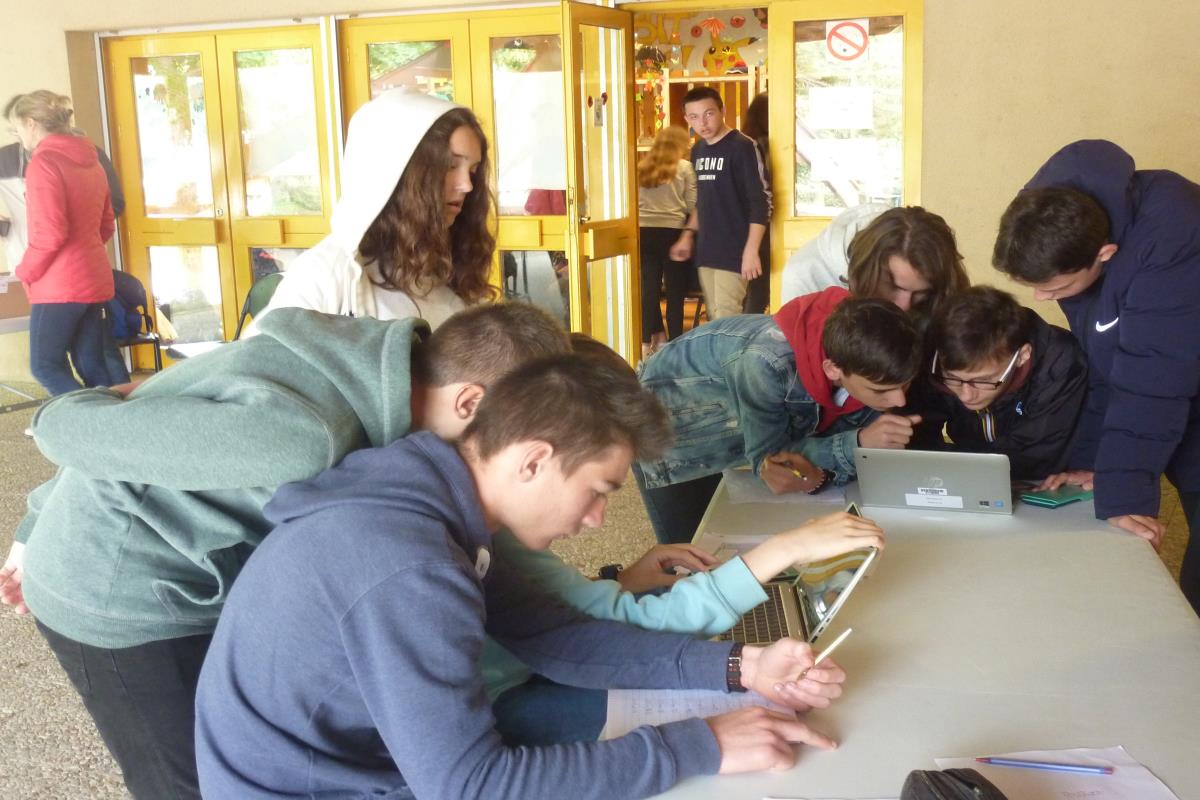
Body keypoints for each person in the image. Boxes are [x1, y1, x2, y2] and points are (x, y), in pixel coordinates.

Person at [194, 354, 850, 799]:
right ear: (533, 460)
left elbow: (559, 636)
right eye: (598, 491)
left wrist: (741, 667)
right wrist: (699, 745)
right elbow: (471, 787)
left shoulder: (436, 501)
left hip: (359, 764)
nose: (598, 521)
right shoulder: (409, 565)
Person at [0, 302, 570, 800]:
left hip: (201, 574)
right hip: (113, 594)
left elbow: (171, 403)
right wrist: (37, 516)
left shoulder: (378, 367)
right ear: (469, 402)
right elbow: (81, 431)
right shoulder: (303, 436)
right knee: (193, 785)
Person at [485, 333, 886, 746]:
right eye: (597, 489)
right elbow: (613, 632)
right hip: (512, 697)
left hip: (528, 668)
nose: (598, 520)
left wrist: (618, 581)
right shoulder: (483, 544)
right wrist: (783, 549)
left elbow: (550, 608)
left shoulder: (495, 529)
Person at [992, 138, 1200, 614]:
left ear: (1105, 253)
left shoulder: (1176, 236)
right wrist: (1095, 464)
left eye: (1056, 288)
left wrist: (1124, 493)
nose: (1043, 299)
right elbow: (1107, 359)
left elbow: (1152, 378)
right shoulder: (1055, 220)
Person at [636, 288, 922, 544]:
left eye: (906, 385)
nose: (900, 400)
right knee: (690, 552)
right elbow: (770, 461)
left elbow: (824, 461)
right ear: (833, 369)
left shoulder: (871, 358)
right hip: (673, 429)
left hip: (739, 419)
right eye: (881, 391)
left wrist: (854, 449)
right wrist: (857, 443)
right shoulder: (765, 363)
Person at [252, 88, 496, 332]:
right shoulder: (326, 274)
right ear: (397, 172)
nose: (467, 185)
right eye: (450, 165)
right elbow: (259, 353)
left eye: (472, 170)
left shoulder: (448, 265)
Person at [907, 286, 1088, 482]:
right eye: (952, 377)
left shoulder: (1059, 364)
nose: (966, 395)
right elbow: (918, 440)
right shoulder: (928, 357)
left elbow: (1034, 460)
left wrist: (954, 467)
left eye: (983, 380)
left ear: (1022, 356)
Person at [8, 90, 116, 395]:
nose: (19, 137)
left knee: (45, 366)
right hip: (93, 278)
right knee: (92, 365)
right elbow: (106, 224)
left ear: (31, 123)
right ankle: (113, 421)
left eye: (16, 129)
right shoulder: (91, 161)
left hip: (59, 285)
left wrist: (26, 271)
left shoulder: (43, 163)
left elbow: (51, 233)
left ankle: (80, 421)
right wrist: (85, 252)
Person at [669, 86, 769, 321]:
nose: (702, 123)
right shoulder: (698, 150)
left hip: (735, 247)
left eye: (709, 113)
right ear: (687, 119)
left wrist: (751, 250)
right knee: (715, 318)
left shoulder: (743, 146)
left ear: (722, 111)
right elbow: (703, 200)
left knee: (727, 318)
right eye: (694, 117)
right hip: (707, 248)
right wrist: (688, 235)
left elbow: (760, 202)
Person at [780, 204, 969, 317]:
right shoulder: (802, 276)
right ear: (867, 268)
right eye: (894, 287)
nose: (904, 307)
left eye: (921, 293)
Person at [637, 125, 696, 356]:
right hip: (673, 233)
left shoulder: (641, 167)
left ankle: (645, 345)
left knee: (648, 291)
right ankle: (675, 346)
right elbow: (692, 204)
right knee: (675, 293)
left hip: (643, 232)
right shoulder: (684, 167)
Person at [741, 91, 772, 314]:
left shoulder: (744, 145)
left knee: (752, 287)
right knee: (759, 287)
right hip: (765, 224)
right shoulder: (766, 146)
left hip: (744, 223)